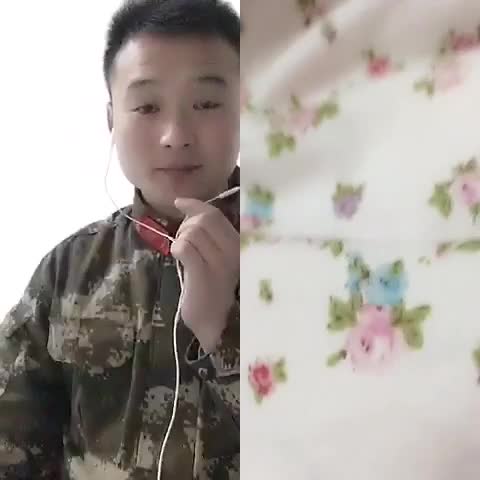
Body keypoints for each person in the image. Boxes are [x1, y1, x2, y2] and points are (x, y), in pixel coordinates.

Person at [0, 0, 240, 478]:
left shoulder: (304, 259)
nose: (175, 135)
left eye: (207, 104)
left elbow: (342, 442)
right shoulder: (69, 271)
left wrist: (226, 331)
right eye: (147, 107)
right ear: (112, 119)